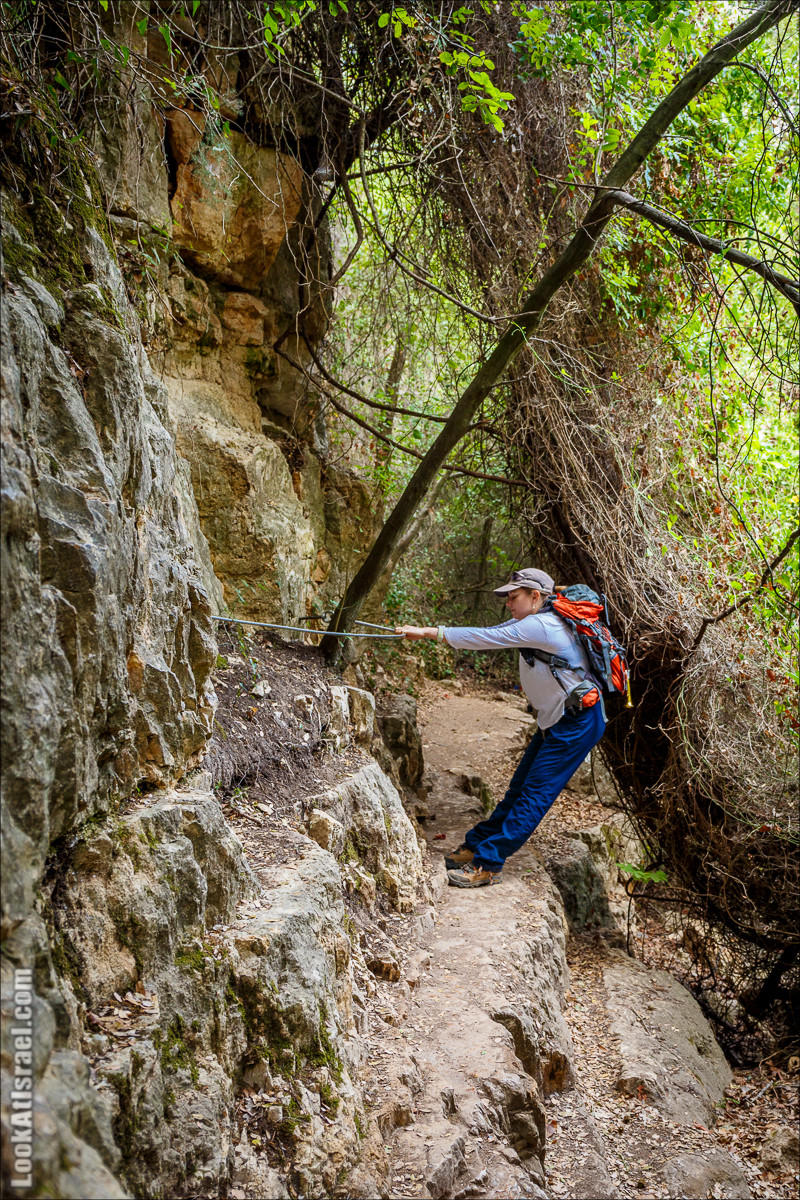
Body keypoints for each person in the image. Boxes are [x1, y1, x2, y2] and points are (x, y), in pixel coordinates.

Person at [394, 567, 606, 888]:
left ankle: (489, 863)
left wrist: (427, 632)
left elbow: (486, 638)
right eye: (507, 597)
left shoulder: (543, 625)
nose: (508, 603)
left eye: (514, 597)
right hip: (558, 718)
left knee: (533, 794)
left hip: (577, 721)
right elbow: (489, 630)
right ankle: (477, 844)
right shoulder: (533, 621)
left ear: (535, 597)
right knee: (519, 789)